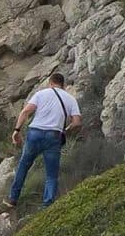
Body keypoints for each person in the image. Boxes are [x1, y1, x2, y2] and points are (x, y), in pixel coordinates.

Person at [6, 70, 82, 210]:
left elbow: (25, 112)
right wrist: (66, 131)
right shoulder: (71, 99)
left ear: (50, 83)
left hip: (35, 133)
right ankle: (47, 205)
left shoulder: (41, 94)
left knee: (23, 165)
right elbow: (77, 122)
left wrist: (17, 131)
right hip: (54, 136)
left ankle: (12, 199)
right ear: (63, 85)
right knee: (51, 174)